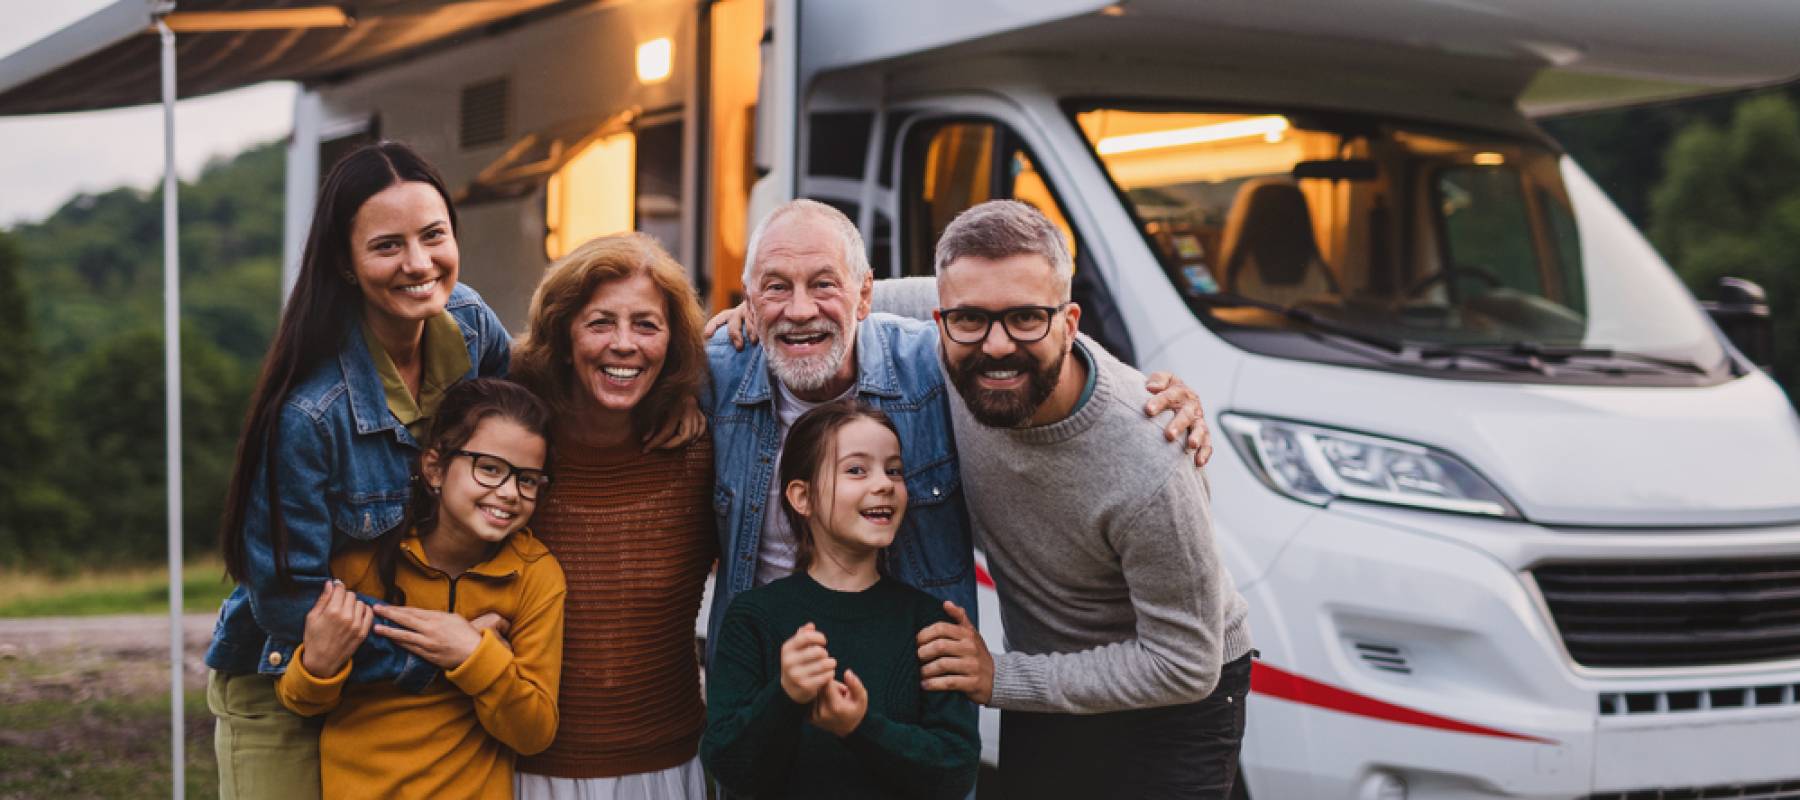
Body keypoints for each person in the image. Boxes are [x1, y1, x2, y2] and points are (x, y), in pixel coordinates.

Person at [700, 199, 1211, 672]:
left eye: (823, 285)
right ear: (749, 295)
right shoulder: (713, 375)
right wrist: (760, 311)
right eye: (776, 286)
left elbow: (1024, 317)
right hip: (759, 688)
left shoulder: (935, 366)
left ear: (865, 296)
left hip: (913, 695)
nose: (800, 309)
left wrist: (1132, 389)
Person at [903, 200, 1254, 798]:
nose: (995, 345)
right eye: (969, 320)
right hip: (1052, 679)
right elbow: (838, 296)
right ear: (941, 319)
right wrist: (743, 317)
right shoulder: (954, 320)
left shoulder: (1150, 458)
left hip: (1175, 703)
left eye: (1025, 319)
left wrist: (1001, 678)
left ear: (1069, 323)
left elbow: (1184, 664)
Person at [204, 141, 512, 799]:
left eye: (434, 236)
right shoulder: (311, 413)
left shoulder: (473, 328)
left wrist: (714, 347)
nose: (419, 263)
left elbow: (537, 427)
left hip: (396, 667)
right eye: (386, 246)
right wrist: (442, 645)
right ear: (344, 262)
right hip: (282, 671)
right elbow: (289, 597)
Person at [275, 377, 566, 799]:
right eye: (489, 468)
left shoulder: (535, 575)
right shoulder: (362, 559)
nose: (508, 493)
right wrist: (318, 666)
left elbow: (534, 732)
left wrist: (472, 655)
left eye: (528, 479)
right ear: (435, 468)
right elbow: (301, 702)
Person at [509, 233, 718, 799]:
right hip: (525, 772)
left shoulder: (700, 452)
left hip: (667, 768)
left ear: (674, 342)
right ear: (562, 332)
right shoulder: (513, 452)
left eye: (647, 325)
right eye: (600, 322)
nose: (623, 345)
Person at [702, 400, 980, 799]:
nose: (884, 483)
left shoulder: (930, 624)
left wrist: (860, 727)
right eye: (856, 470)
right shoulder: (753, 618)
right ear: (803, 497)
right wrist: (786, 695)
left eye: (895, 470)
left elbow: (956, 771)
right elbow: (730, 766)